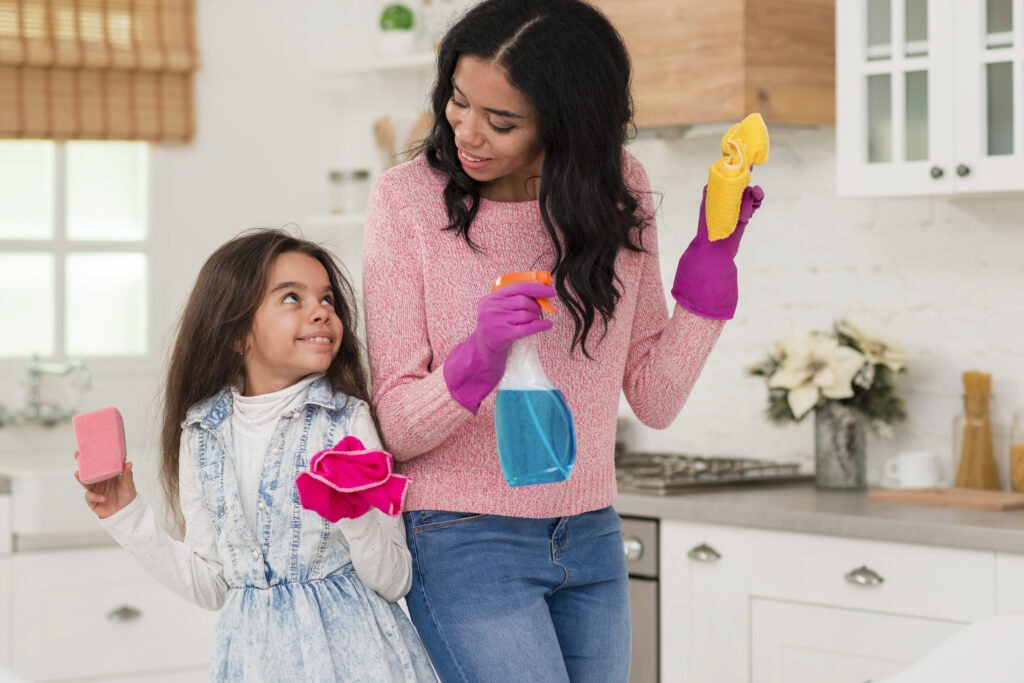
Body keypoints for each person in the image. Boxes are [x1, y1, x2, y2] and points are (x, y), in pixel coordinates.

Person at [362, 0, 764, 681]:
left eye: (503, 120)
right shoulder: (406, 200)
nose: (468, 132)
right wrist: (476, 358)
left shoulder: (617, 189)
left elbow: (655, 395)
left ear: (566, 123)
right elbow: (396, 426)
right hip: (463, 537)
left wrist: (711, 271)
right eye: (458, 102)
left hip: (592, 533)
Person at [76, 229, 436, 682]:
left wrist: (353, 511)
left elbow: (395, 578)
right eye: (291, 298)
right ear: (236, 334)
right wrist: (124, 515)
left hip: (357, 660)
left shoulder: (347, 421)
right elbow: (212, 584)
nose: (321, 312)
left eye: (327, 300)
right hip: (253, 663)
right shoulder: (202, 432)